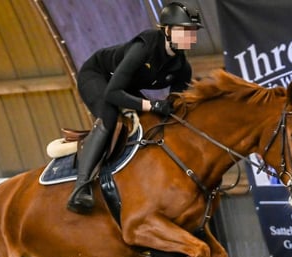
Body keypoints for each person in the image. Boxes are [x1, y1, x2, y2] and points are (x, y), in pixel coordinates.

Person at [66, 2, 203, 214]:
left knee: (153, 122)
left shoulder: (182, 68)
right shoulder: (144, 46)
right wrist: (152, 104)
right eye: (184, 31)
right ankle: (80, 188)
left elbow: (177, 106)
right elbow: (112, 93)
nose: (190, 38)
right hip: (98, 76)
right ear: (167, 30)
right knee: (110, 116)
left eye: (193, 32)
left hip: (124, 85)